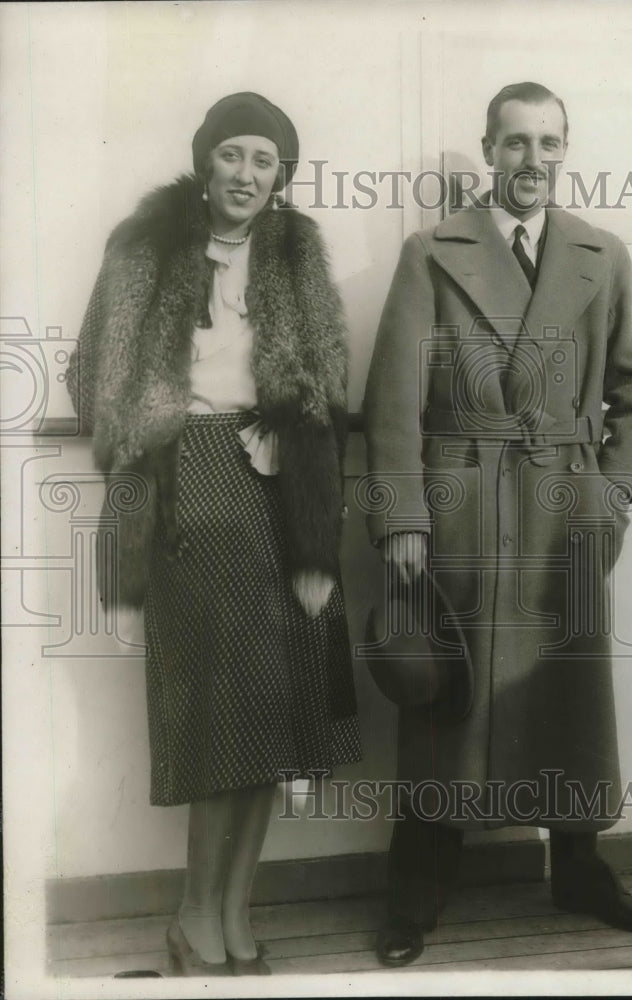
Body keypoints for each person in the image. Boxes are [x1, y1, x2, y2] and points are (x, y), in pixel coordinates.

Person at [363, 81, 632, 967]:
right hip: (459, 513)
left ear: (564, 150)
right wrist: (403, 519)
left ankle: (577, 867)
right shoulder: (431, 252)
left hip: (561, 519)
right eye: (515, 143)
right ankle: (416, 887)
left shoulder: (600, 254)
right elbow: (392, 406)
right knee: (441, 695)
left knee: (566, 696)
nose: (532, 161)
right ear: (488, 149)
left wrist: (606, 499)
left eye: (549, 143)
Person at [66, 92, 361, 976]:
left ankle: (235, 912)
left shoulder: (297, 253)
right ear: (205, 161)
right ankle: (194, 915)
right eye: (232, 155)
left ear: (282, 177)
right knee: (219, 713)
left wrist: (287, 422)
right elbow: (92, 371)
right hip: (187, 489)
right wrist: (163, 437)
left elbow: (326, 375)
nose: (246, 174)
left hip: (280, 495)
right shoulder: (144, 249)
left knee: (275, 712)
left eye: (264, 161)